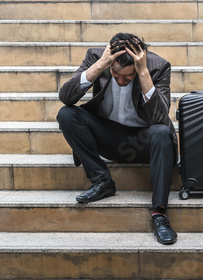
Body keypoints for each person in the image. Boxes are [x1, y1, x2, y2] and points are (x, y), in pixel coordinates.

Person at [57, 32, 177, 245]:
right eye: (115, 73)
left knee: (161, 132)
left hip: (144, 142)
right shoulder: (97, 58)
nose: (121, 80)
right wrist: (102, 65)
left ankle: (159, 214)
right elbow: (66, 97)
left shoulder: (159, 67)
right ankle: (102, 181)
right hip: (108, 137)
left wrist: (142, 73)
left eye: (128, 77)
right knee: (67, 114)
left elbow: (160, 118)